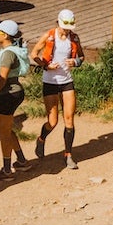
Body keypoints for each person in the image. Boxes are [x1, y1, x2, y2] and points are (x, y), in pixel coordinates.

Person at [34, 9, 87, 169]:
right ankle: (41, 139)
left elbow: (82, 56)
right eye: (65, 26)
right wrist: (46, 65)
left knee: (69, 119)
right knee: (53, 121)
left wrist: (76, 62)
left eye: (69, 27)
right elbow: (34, 53)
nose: (67, 30)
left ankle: (68, 155)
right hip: (50, 81)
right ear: (58, 23)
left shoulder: (74, 38)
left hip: (66, 81)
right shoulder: (49, 36)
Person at [0, 19, 31, 178]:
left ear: (5, 35)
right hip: (13, 92)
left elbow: (2, 78)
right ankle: (21, 161)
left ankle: (6, 169)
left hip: (6, 94)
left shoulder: (7, 54)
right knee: (4, 129)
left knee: (3, 133)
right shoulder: (13, 51)